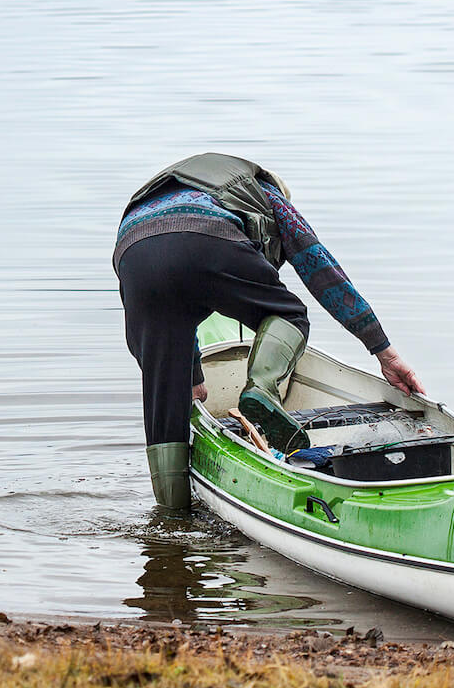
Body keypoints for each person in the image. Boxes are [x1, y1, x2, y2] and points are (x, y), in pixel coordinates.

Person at [113, 152, 425, 511]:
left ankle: (171, 515)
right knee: (289, 314)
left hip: (132, 254)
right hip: (208, 237)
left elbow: (178, 297)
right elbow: (322, 271)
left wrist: (191, 375)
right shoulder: (269, 194)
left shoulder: (164, 196)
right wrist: (384, 351)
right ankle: (261, 389)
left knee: (165, 396)